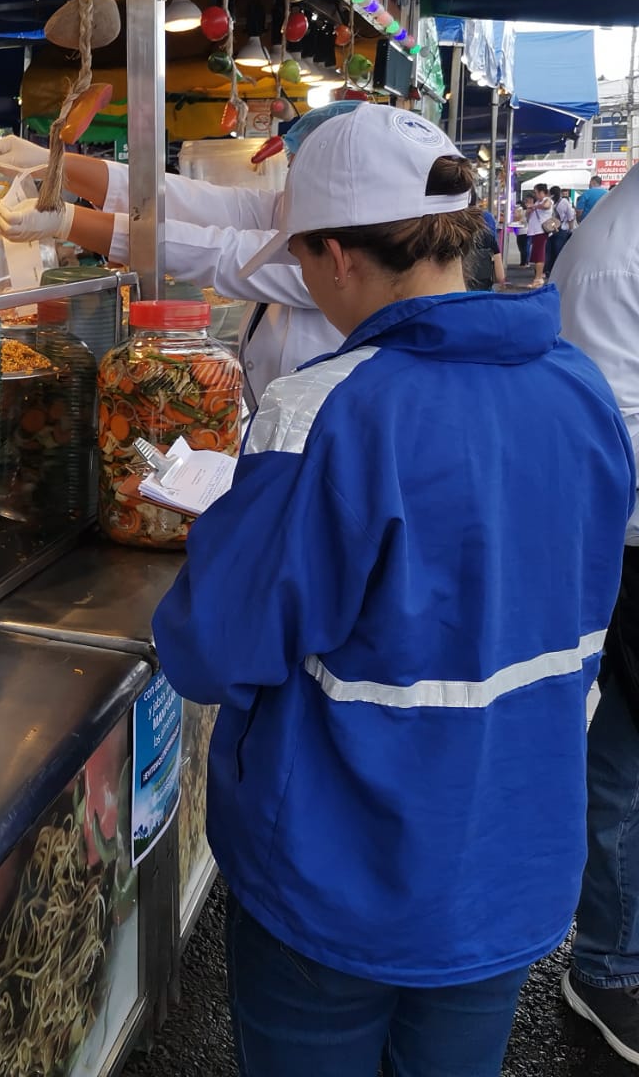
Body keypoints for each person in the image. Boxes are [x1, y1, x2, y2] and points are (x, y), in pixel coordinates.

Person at [151, 103, 635, 1077]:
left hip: (335, 879)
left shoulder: (320, 410)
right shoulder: (579, 389)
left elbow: (208, 646)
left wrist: (226, 531)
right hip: (508, 871)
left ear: (334, 255)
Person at [0, 109, 355, 408]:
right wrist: (52, 165)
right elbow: (188, 199)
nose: (289, 178)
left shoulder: (340, 256)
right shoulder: (292, 209)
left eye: (297, 168)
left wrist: (68, 220)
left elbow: (218, 253)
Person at [552, 165, 639, 1065]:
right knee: (619, 760)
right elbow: (614, 440)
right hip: (631, 546)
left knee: (621, 752)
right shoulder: (614, 257)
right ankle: (610, 963)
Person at [526, 182, 554, 286]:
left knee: (539, 255)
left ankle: (538, 278)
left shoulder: (547, 200)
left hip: (541, 231)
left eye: (536, 192)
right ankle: (537, 277)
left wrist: (534, 206)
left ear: (542, 192)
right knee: (537, 255)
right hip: (536, 232)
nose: (535, 194)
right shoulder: (538, 202)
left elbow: (546, 206)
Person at [546, 185, 575, 277]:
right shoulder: (564, 202)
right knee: (557, 250)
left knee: (551, 250)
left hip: (551, 229)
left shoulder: (550, 202)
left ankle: (550, 270)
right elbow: (571, 217)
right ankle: (557, 270)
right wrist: (571, 229)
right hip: (562, 229)